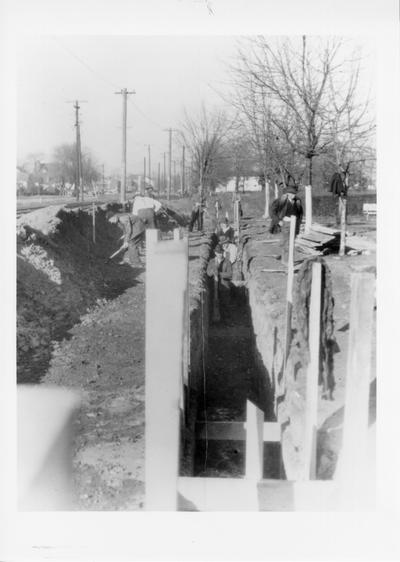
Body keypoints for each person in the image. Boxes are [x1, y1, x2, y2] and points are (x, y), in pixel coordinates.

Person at [269, 186, 303, 265]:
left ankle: (290, 259)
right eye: (291, 193)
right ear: (287, 194)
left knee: (292, 242)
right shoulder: (280, 201)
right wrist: (278, 221)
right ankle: (285, 260)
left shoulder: (297, 201)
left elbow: (300, 213)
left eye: (294, 193)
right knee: (286, 242)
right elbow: (272, 212)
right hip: (285, 223)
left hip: (295, 223)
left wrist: (299, 223)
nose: (293, 195)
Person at [206, 244, 233, 322]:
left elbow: (230, 274)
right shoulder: (211, 261)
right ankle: (215, 320)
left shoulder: (227, 262)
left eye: (221, 252)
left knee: (225, 304)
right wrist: (213, 271)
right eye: (218, 253)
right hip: (214, 287)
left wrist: (219, 274)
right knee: (214, 304)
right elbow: (208, 273)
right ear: (215, 253)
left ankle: (226, 321)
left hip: (224, 287)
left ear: (223, 253)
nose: (219, 254)